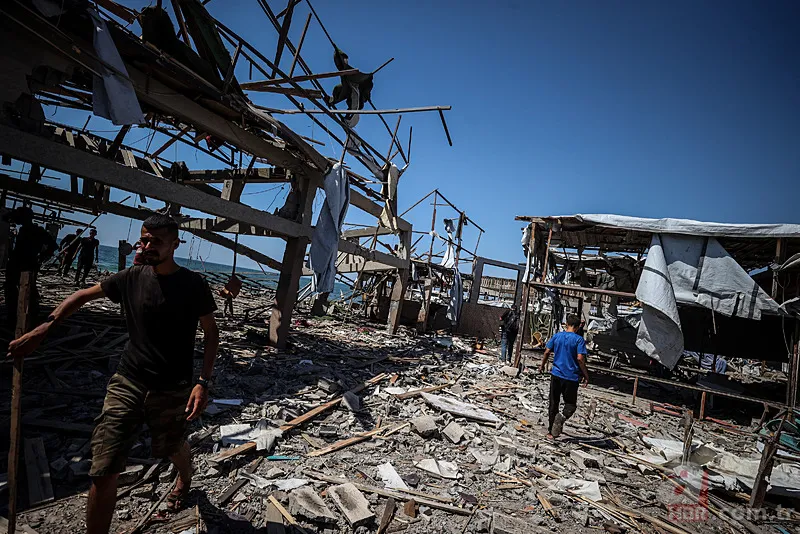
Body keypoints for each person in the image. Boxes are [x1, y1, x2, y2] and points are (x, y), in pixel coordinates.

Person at [8, 214, 219, 534]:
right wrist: (44, 329)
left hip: (172, 386)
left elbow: (211, 332)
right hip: (128, 381)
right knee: (104, 469)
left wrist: (202, 382)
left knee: (172, 445)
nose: (147, 246)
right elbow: (81, 296)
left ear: (175, 245)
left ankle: (185, 476)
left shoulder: (193, 285)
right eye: (144, 239)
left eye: (156, 242)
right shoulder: (131, 277)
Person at [539, 314, 590, 439]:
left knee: (553, 402)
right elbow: (580, 359)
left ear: (566, 324)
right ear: (577, 327)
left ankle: (551, 432)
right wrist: (586, 374)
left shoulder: (557, 336)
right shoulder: (579, 340)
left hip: (556, 374)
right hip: (571, 377)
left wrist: (542, 365)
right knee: (571, 404)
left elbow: (546, 351)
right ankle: (562, 416)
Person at [4, 206, 57, 324]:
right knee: (13, 288)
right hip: (19, 262)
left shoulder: (36, 231)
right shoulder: (24, 229)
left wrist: (41, 256)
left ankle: (27, 315)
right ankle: (15, 315)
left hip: (27, 263)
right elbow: (6, 217)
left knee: (26, 289)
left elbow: (53, 246)